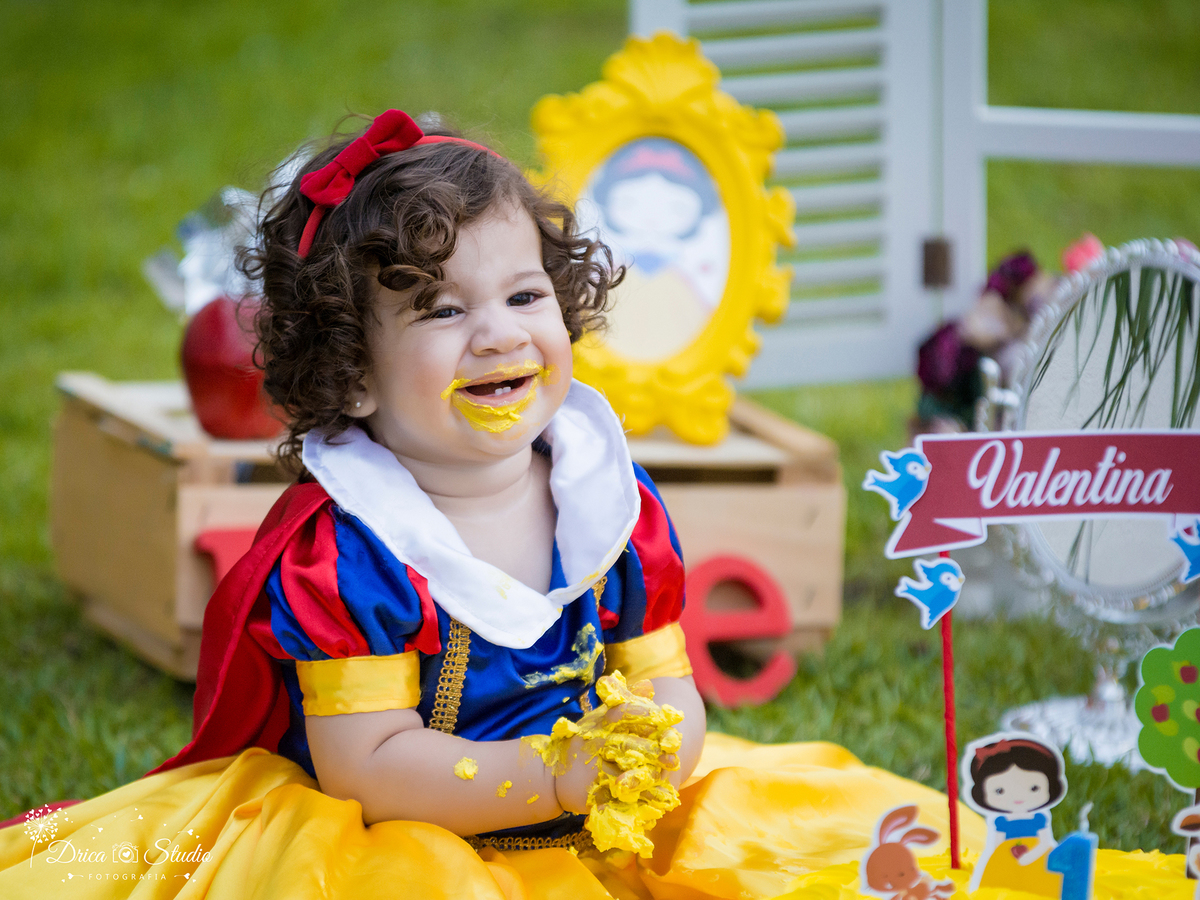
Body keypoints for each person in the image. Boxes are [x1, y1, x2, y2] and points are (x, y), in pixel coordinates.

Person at [0, 108, 978, 900]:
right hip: (408, 836)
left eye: (523, 297)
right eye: (441, 310)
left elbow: (668, 679)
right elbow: (369, 764)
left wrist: (656, 756)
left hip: (602, 807)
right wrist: (553, 778)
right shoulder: (359, 550)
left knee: (817, 865)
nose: (498, 336)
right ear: (353, 373)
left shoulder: (609, 501)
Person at [962, 732, 1066, 895]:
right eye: (999, 791)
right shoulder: (1000, 822)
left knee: (1042, 890)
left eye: (1034, 788)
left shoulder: (1039, 818)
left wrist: (1029, 857)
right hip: (1005, 860)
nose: (1017, 797)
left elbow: (1045, 842)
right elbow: (995, 846)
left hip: (1038, 859)